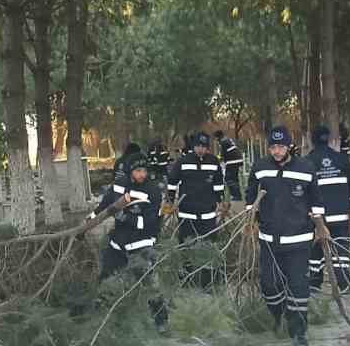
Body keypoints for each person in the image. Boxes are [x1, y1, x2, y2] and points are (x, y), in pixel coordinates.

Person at [246, 125, 322, 346]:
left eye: (280, 147)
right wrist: (251, 220)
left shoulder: (306, 168)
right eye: (272, 147)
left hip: (299, 240)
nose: (276, 151)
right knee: (269, 284)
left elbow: (316, 201)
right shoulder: (260, 167)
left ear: (289, 146)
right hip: (269, 239)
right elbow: (251, 196)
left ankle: (298, 331)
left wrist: (320, 226)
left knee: (298, 286)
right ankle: (279, 314)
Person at [90, 156, 166, 327]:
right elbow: (104, 206)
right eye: (138, 171)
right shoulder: (119, 184)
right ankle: (98, 316)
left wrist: (126, 218)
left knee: (150, 284)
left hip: (141, 244)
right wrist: (88, 222)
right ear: (130, 172)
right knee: (106, 278)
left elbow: (150, 222)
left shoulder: (152, 191)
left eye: (144, 171)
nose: (142, 174)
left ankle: (160, 321)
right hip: (117, 243)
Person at [165, 132, 227, 286]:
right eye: (198, 146)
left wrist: (220, 201)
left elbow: (218, 184)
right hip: (187, 214)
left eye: (204, 147)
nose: (201, 149)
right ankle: (187, 280)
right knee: (186, 247)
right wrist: (170, 201)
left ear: (208, 148)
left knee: (208, 248)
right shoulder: (183, 161)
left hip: (207, 215)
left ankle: (208, 282)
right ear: (193, 147)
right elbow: (172, 182)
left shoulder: (213, 162)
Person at [307, 125, 350, 296]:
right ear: (329, 139)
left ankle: (314, 283)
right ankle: (343, 283)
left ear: (312, 140)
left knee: (315, 249)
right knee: (341, 247)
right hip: (341, 215)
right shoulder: (342, 160)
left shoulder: (307, 162)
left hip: (317, 218)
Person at [214, 130, 245, 203]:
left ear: (218, 137)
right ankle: (237, 196)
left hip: (232, 162)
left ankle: (236, 196)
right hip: (236, 160)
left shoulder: (223, 142)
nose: (216, 140)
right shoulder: (227, 140)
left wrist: (216, 159)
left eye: (216, 138)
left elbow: (222, 155)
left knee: (229, 179)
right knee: (234, 179)